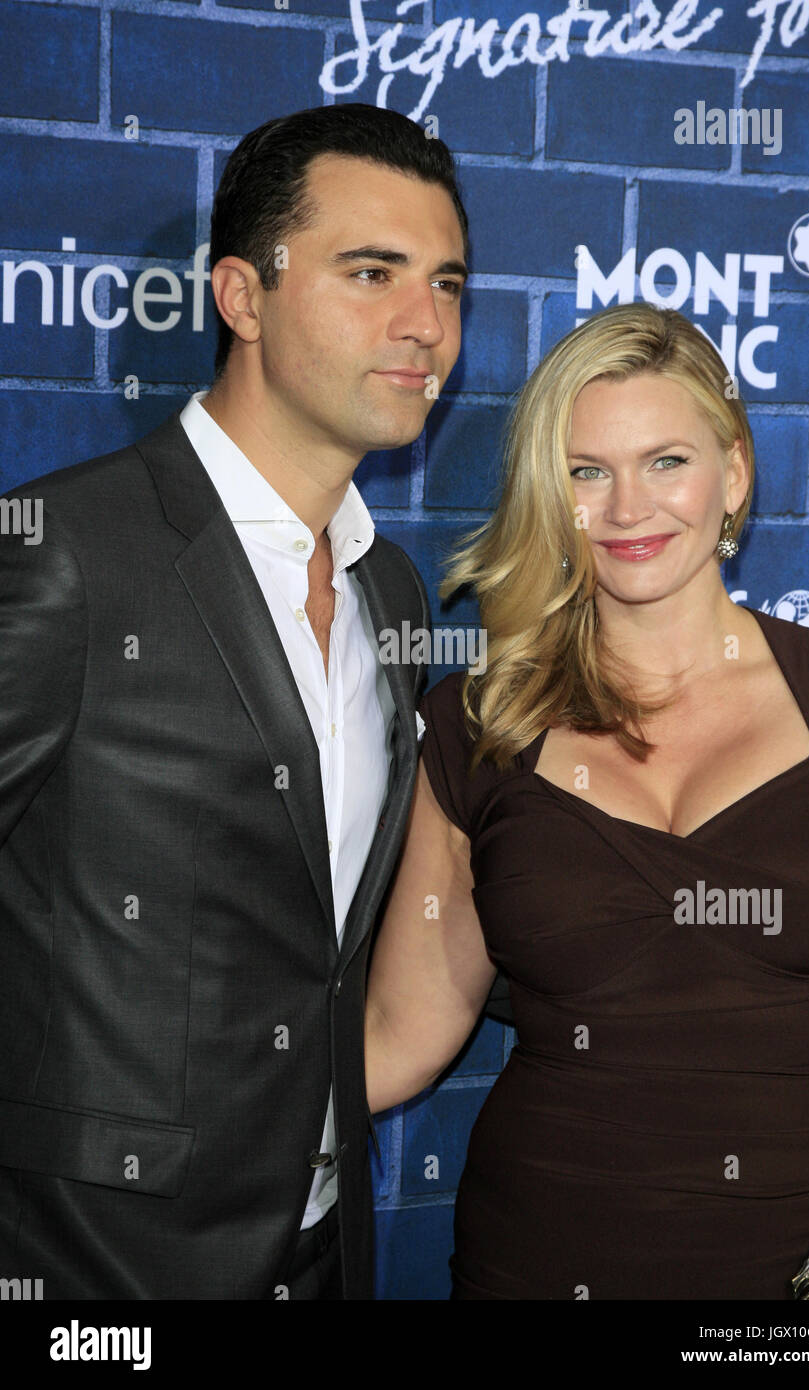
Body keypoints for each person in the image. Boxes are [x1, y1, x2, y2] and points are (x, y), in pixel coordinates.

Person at [0, 103, 468, 1299]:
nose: (425, 326)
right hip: (97, 1272)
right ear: (241, 297)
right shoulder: (69, 550)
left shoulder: (387, 583)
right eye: (372, 273)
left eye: (448, 284)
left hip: (319, 1251)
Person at [365, 302, 809, 1300]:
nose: (626, 506)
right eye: (584, 470)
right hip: (538, 1262)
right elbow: (395, 1038)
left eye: (664, 461)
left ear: (732, 474)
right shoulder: (476, 725)